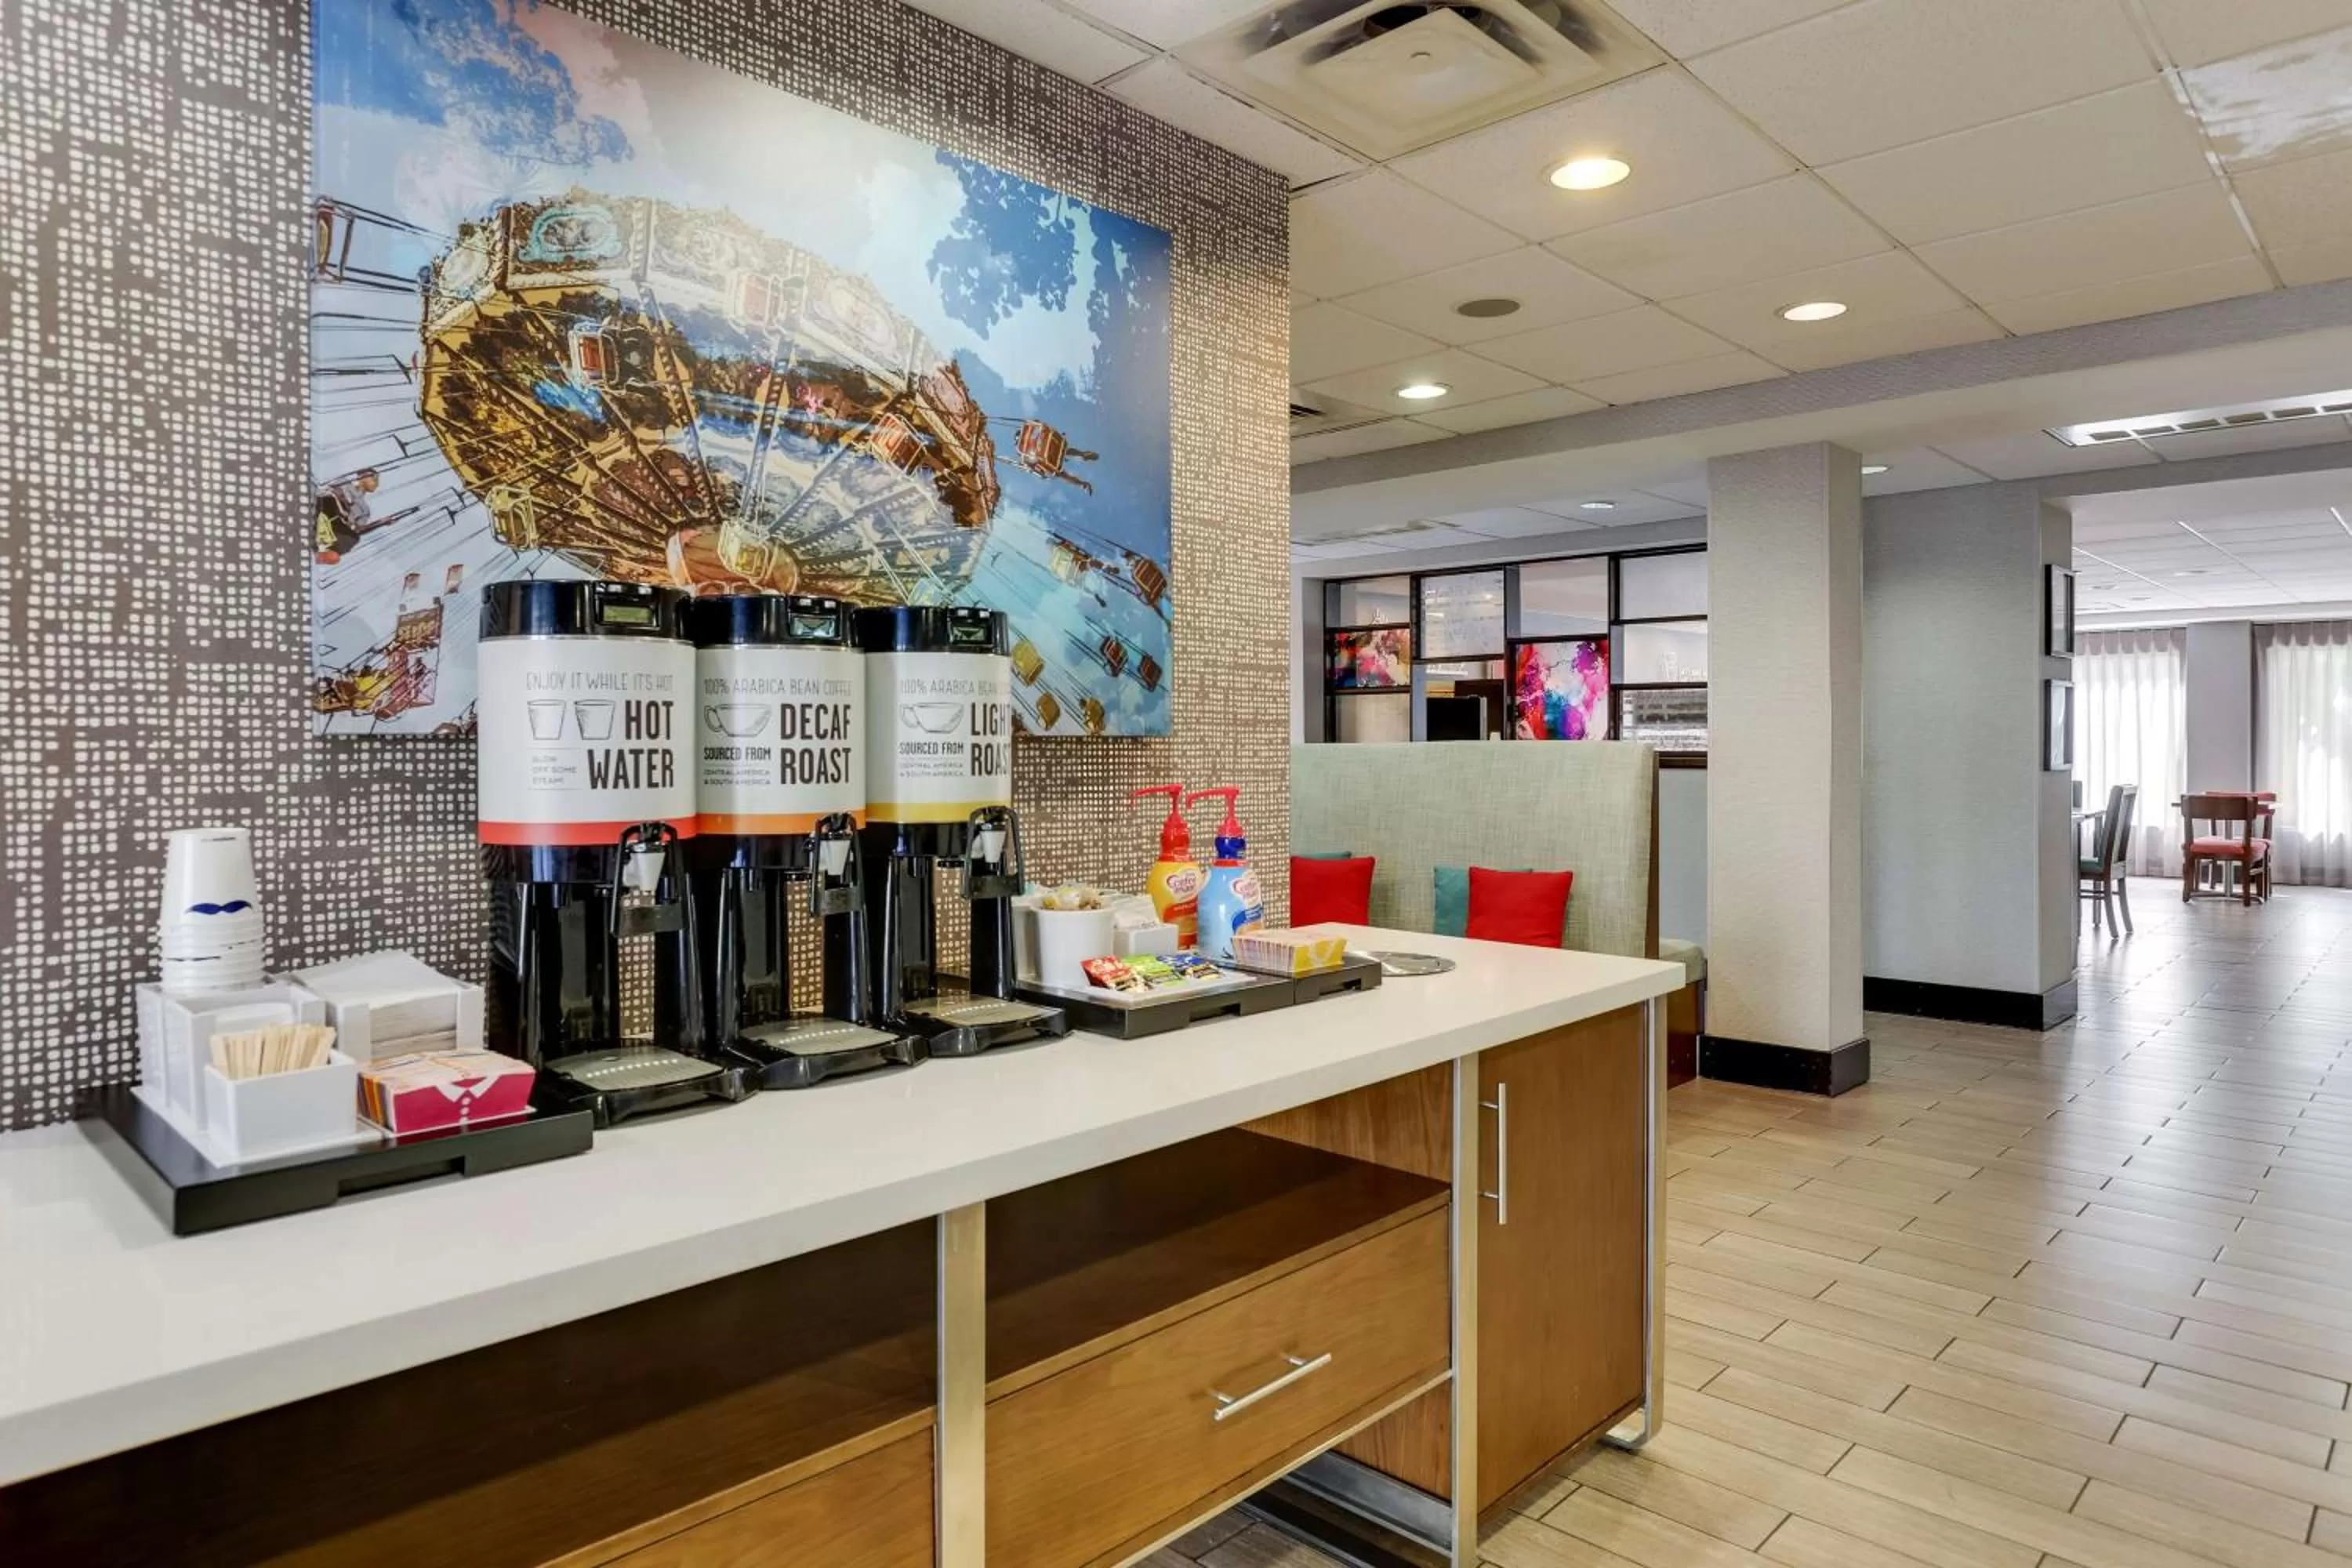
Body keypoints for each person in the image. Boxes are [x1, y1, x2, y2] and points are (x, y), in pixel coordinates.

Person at [313, 468, 395, 563]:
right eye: (373, 477)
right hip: (326, 506)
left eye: (377, 479)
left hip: (336, 523)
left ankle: (324, 552)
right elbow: (329, 490)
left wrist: (381, 523)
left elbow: (358, 529)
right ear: (361, 476)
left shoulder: (365, 510)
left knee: (354, 538)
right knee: (327, 500)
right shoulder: (345, 482)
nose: (376, 482)